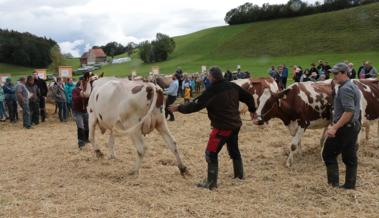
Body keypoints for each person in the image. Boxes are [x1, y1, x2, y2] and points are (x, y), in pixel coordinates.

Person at [168, 66, 256, 190]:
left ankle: (211, 183)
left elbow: (195, 106)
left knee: (211, 153)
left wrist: (178, 108)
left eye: (208, 76)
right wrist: (253, 110)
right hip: (235, 125)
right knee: (234, 150)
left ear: (213, 77)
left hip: (222, 128)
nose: (207, 78)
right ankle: (239, 175)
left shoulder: (212, 91)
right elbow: (248, 97)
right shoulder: (232, 86)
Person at [322, 63, 361, 189]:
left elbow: (349, 111)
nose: (334, 77)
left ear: (344, 73)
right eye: (333, 74)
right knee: (349, 156)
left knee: (328, 154)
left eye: (336, 74)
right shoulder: (352, 85)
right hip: (352, 126)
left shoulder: (345, 89)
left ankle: (333, 185)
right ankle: (350, 185)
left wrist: (334, 127)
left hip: (344, 127)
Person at [72, 78, 89, 149]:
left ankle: (86, 139)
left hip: (85, 111)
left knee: (87, 126)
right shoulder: (75, 90)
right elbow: (74, 99)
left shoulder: (87, 91)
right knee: (80, 126)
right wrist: (80, 96)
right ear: (81, 82)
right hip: (77, 111)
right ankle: (81, 143)